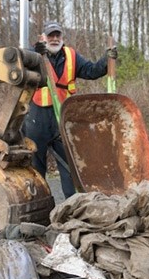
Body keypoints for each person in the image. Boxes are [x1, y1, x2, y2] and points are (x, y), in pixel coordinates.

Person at [23, 20, 117, 199]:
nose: (54, 39)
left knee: (68, 166)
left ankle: (71, 206)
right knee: (36, 167)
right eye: (51, 35)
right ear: (44, 37)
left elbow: (92, 71)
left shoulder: (71, 56)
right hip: (38, 117)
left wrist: (107, 59)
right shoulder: (35, 54)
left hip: (63, 118)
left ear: (62, 37)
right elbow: (20, 61)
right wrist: (36, 51)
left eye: (57, 35)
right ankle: (39, 208)